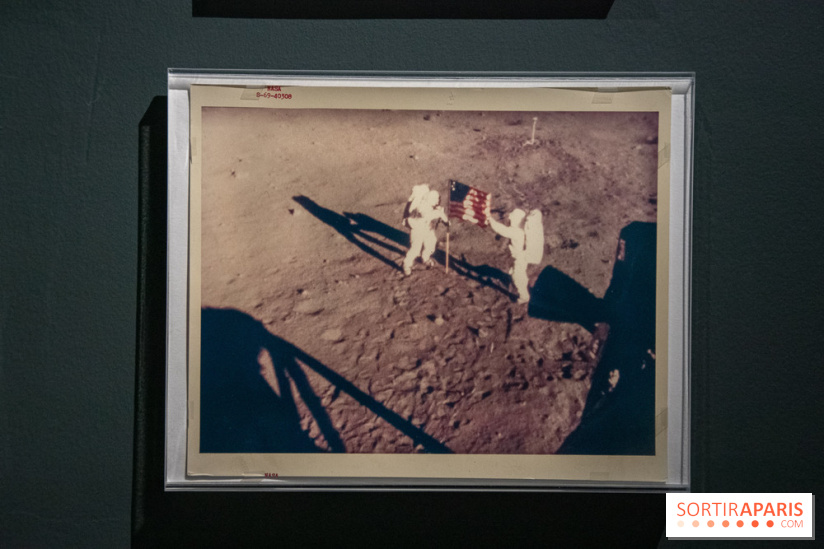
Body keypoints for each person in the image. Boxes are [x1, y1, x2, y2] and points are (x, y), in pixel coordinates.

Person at [488, 208, 544, 304]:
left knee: (517, 276)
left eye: (512, 218)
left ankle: (524, 297)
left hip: (520, 258)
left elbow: (501, 229)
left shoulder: (516, 232)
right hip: (522, 256)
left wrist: (489, 219)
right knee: (518, 272)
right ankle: (523, 281)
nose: (510, 219)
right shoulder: (520, 230)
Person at [403, 189, 448, 276]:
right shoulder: (421, 206)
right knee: (416, 249)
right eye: (436, 200)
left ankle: (425, 257)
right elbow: (430, 215)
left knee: (431, 244)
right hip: (417, 230)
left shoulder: (432, 207)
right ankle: (406, 265)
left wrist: (442, 217)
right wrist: (442, 216)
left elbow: (435, 215)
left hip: (427, 229)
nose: (437, 202)